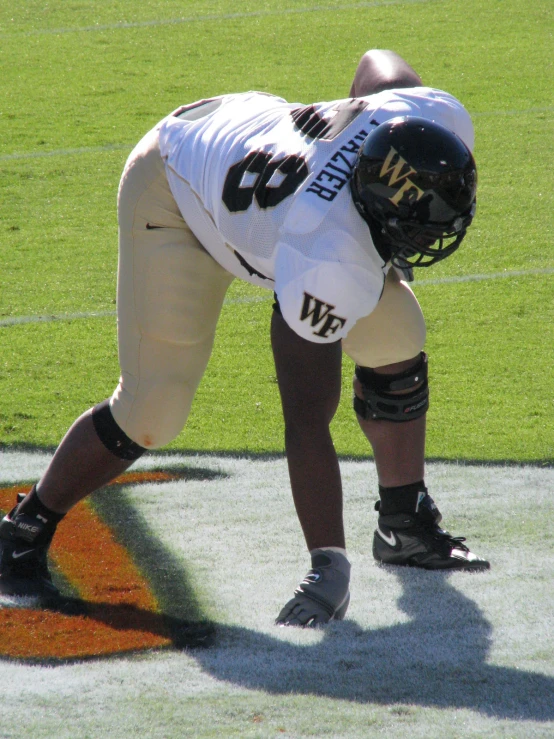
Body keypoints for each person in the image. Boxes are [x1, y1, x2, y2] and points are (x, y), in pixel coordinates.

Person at [0, 50, 489, 626]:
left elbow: (376, 62)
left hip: (251, 142)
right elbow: (306, 420)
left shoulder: (427, 115)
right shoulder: (324, 254)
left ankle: (404, 524)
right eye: (418, 225)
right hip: (178, 190)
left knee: (396, 334)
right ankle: (22, 532)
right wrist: (328, 566)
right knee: (153, 407)